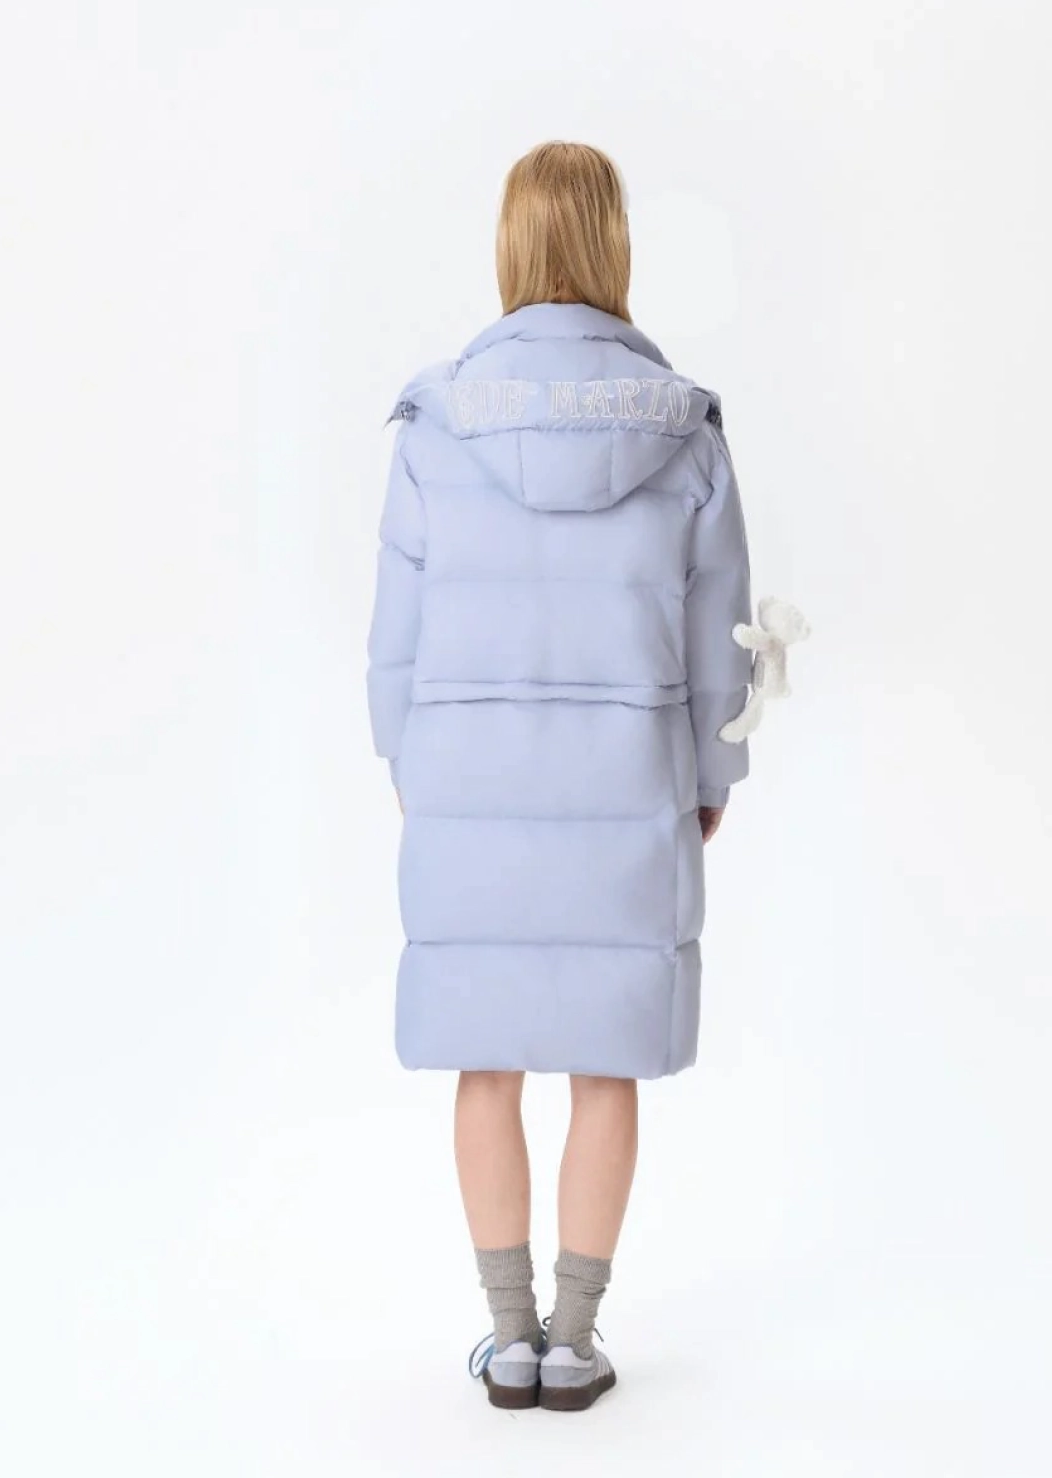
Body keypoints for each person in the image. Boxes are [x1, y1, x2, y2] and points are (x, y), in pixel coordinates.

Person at [366, 141, 751, 1412]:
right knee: (605, 1059)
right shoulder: (683, 428)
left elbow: (396, 638)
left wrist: (413, 769)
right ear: (614, 243)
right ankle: (576, 1343)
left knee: (486, 1060)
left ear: (510, 244)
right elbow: (720, 639)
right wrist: (709, 779)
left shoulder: (435, 424)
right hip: (626, 787)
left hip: (467, 789)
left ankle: (507, 1336)